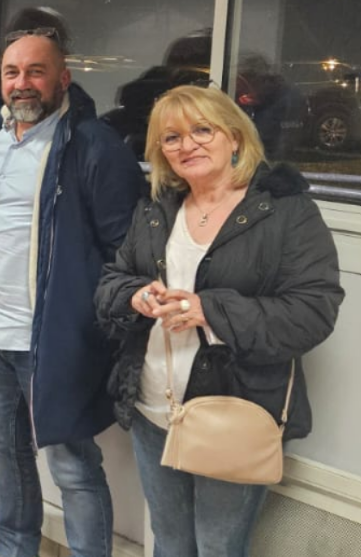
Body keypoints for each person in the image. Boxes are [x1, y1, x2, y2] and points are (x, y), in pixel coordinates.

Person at [96, 85, 342, 557]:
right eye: (171, 138)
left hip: (233, 412)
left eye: (202, 131)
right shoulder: (157, 208)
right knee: (169, 542)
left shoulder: (286, 212)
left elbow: (313, 311)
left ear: (235, 137)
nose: (186, 145)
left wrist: (209, 310)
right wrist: (135, 296)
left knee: (218, 547)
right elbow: (112, 281)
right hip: (153, 406)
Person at [0, 30, 145, 557]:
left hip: (52, 336)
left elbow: (125, 250)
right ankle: (14, 546)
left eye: (36, 71)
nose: (22, 83)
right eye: (12, 73)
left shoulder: (94, 146)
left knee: (72, 463)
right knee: (4, 449)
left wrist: (90, 323)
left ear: (63, 78)